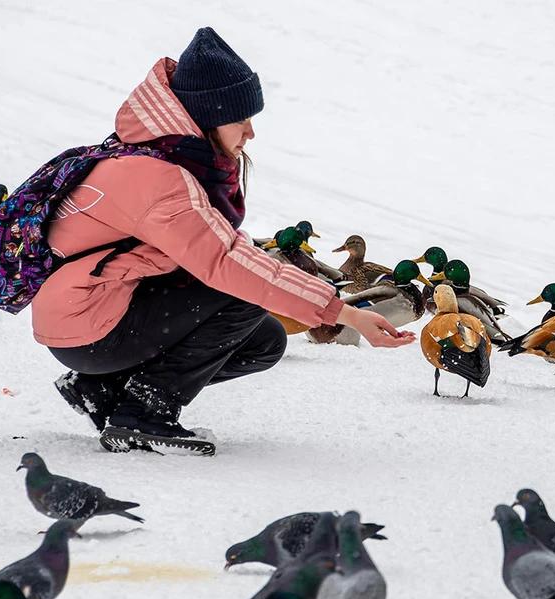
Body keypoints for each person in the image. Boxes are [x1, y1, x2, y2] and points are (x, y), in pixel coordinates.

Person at [32, 27, 413, 442]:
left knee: (263, 340)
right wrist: (347, 313)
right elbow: (227, 262)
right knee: (243, 287)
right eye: (240, 119)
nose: (250, 133)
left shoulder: (163, 155)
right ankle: (143, 414)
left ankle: (103, 389)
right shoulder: (160, 177)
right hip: (89, 327)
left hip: (97, 312)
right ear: (206, 118)